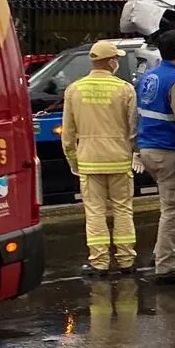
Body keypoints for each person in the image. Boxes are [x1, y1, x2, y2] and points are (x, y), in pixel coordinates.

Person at [62, 40, 139, 276]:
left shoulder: (74, 90)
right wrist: (134, 152)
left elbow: (68, 133)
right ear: (111, 62)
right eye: (116, 58)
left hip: (88, 160)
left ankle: (99, 263)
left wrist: (73, 160)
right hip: (119, 158)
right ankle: (126, 261)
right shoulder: (125, 89)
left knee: (94, 212)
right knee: (123, 209)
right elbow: (133, 128)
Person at [135, 30, 175, 284]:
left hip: (150, 148)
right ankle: (166, 266)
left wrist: (136, 147)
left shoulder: (148, 77)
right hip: (170, 151)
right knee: (174, 209)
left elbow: (136, 114)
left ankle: (161, 250)